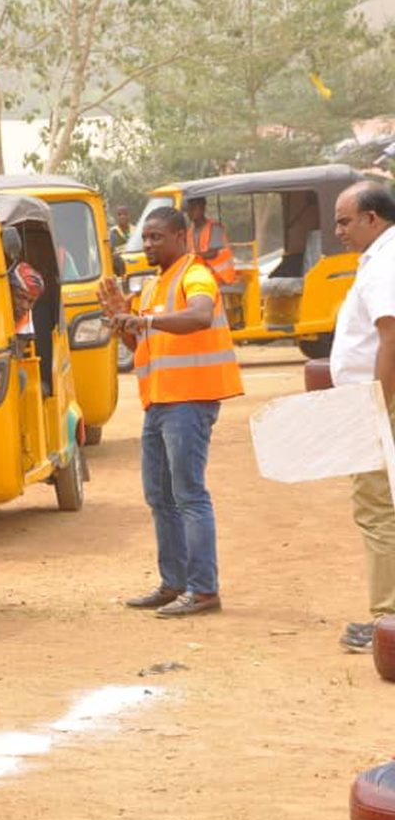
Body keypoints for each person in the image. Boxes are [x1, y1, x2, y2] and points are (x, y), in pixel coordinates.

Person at [98, 206, 243, 617]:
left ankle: (203, 591)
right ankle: (174, 583)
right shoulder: (153, 288)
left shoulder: (195, 274)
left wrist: (142, 321)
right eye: (145, 237)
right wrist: (123, 323)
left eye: (157, 237)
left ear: (181, 237)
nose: (148, 244)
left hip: (190, 401)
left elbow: (198, 315)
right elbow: (142, 349)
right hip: (159, 403)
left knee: (189, 495)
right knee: (160, 496)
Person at [327, 181, 395, 654]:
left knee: (377, 508)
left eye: (345, 220)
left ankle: (387, 619)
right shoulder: (379, 260)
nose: (338, 231)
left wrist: (378, 404)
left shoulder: (385, 263)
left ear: (373, 219)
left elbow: (391, 336)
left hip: (379, 402)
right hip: (374, 400)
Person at [186, 197, 237, 286]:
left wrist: (191, 257)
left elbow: (212, 253)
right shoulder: (190, 231)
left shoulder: (214, 227)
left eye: (193, 208)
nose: (190, 213)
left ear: (202, 208)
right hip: (203, 275)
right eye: (188, 210)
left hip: (220, 276)